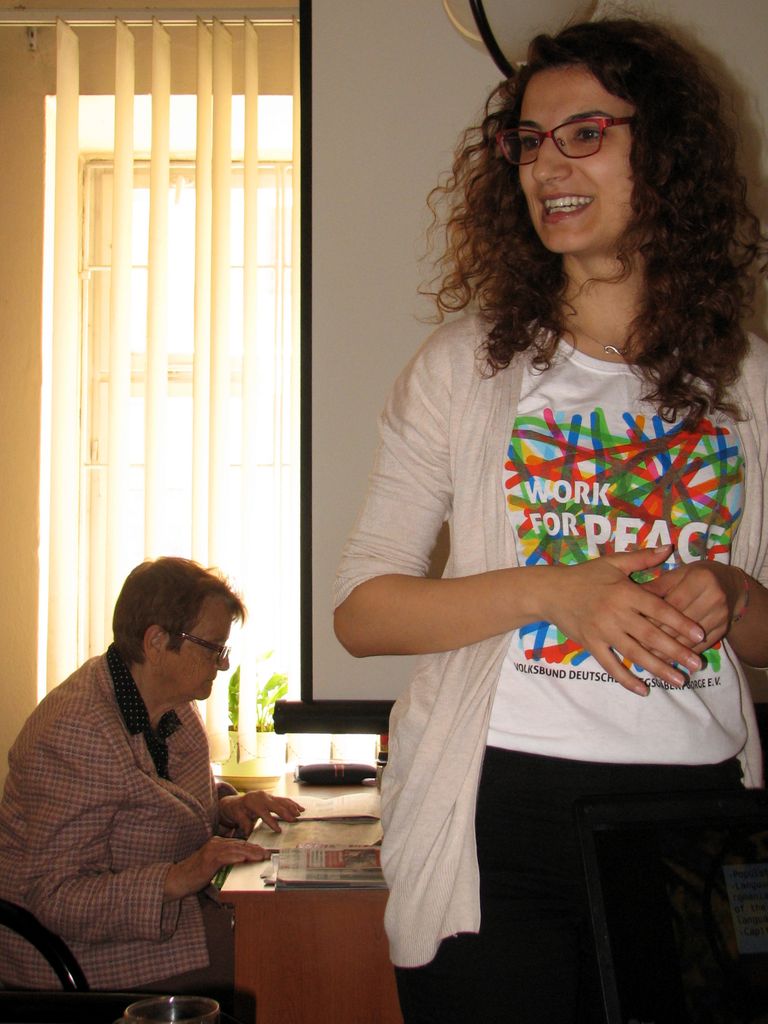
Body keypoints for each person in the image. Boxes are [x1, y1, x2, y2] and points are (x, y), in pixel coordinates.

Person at [333, 16, 768, 1024]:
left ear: (666, 152)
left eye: (586, 133)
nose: (546, 166)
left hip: (693, 816)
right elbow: (363, 610)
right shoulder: (466, 367)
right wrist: (554, 593)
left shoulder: (748, 380)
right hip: (499, 818)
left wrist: (733, 593)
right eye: (529, 141)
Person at [0, 556, 303, 1003]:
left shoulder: (172, 702)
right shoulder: (76, 729)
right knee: (286, 949)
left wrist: (228, 808)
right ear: (157, 641)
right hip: (80, 954)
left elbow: (163, 805)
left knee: (293, 928)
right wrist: (178, 878)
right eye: (212, 648)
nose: (222, 665)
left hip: (162, 920)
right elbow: (54, 896)